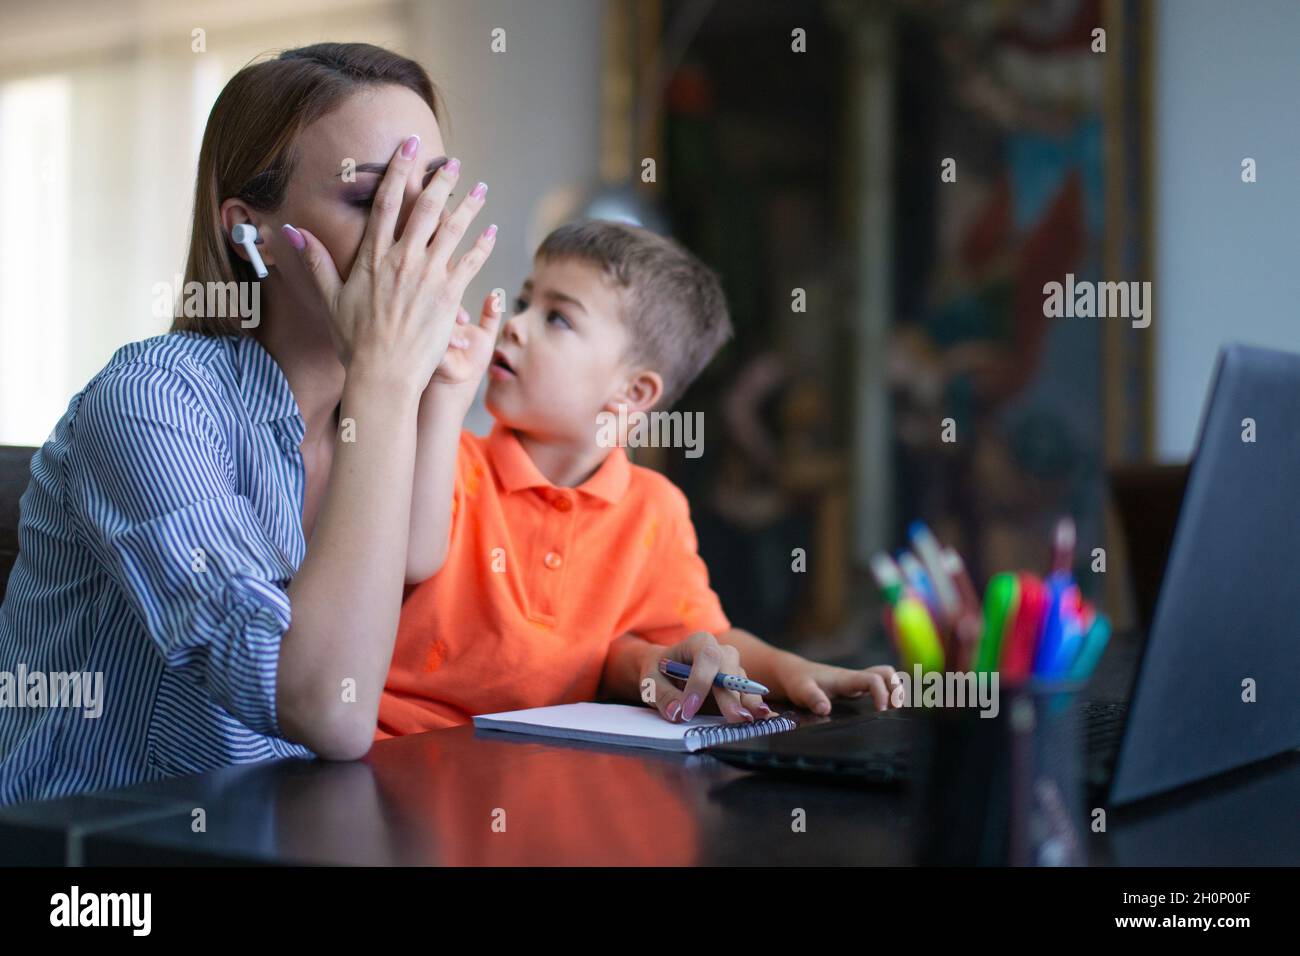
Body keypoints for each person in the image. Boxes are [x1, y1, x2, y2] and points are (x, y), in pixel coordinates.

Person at [0, 42, 495, 804]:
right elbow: (329, 710)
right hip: (91, 851)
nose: (415, 241)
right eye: (371, 200)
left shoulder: (374, 415)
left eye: (430, 197)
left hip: (275, 830)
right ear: (249, 233)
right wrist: (388, 383)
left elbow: (415, 565)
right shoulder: (149, 402)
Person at [380, 219, 897, 736]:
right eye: (524, 303)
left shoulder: (653, 509)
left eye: (557, 317)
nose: (516, 325)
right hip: (393, 750)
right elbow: (404, 555)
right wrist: (443, 401)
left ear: (632, 394)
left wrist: (801, 671)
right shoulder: (450, 457)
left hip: (525, 773)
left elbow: (711, 638)